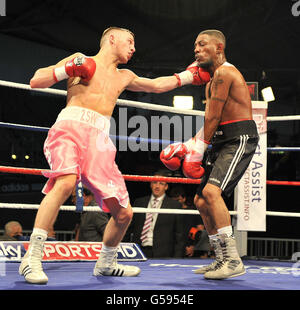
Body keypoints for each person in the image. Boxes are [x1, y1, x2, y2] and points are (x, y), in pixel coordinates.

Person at [19, 26, 210, 284]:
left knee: (124, 214)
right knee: (65, 182)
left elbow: (155, 85)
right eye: (129, 41)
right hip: (70, 129)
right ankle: (31, 258)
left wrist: (187, 77)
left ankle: (106, 263)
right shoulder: (80, 59)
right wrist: (68, 69)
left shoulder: (125, 75)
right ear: (112, 39)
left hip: (100, 140)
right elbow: (36, 80)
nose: (133, 48)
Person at [160, 29, 259, 279]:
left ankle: (234, 260)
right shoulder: (212, 80)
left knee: (211, 192)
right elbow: (210, 120)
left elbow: (214, 115)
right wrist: (191, 143)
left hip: (239, 138)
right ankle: (221, 259)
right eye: (195, 45)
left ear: (218, 48)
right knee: (200, 200)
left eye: (202, 45)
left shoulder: (225, 73)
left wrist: (197, 149)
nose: (196, 49)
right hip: (221, 139)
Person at [130, 170, 185, 258]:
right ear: (151, 184)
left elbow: (179, 235)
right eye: (155, 182)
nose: (157, 186)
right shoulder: (139, 202)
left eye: (161, 183)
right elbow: (130, 227)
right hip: (138, 250)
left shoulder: (175, 205)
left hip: (163, 253)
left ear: (166, 187)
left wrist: (177, 259)